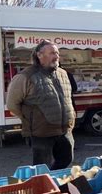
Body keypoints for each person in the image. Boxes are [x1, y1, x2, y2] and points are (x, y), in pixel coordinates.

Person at [6, 40, 76, 169]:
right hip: (41, 133)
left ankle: (57, 185)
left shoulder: (63, 74)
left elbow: (68, 99)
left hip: (65, 130)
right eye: (52, 53)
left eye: (57, 53)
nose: (56, 56)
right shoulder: (25, 76)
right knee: (42, 168)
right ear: (39, 55)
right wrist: (29, 119)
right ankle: (44, 187)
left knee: (66, 160)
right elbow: (12, 104)